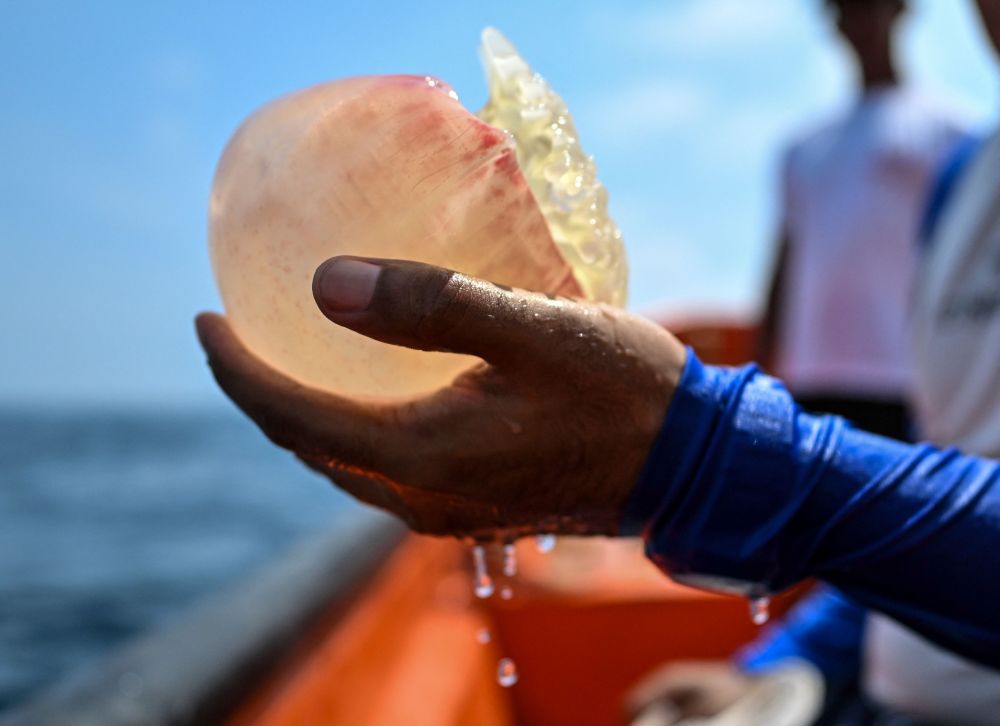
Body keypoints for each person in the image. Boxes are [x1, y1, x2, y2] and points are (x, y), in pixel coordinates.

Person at [195, 0, 1000, 704]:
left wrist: (699, 458)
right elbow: (951, 471)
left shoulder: (941, 134)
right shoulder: (958, 187)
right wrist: (783, 661)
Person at [757, 0, 968, 441]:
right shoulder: (803, 148)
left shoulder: (949, 132)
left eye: (871, 6)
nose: (861, 20)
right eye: (848, 9)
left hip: (907, 380)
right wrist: (761, 370)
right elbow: (784, 262)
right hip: (810, 379)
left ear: (900, 11)